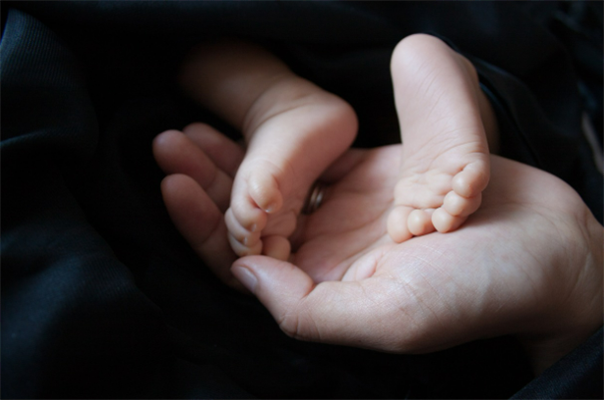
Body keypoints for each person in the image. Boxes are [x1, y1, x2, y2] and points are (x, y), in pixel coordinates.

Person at [173, 34, 498, 260]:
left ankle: (275, 101)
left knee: (188, 45)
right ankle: (475, 115)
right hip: (361, 50)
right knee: (189, 44)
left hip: (278, 43)